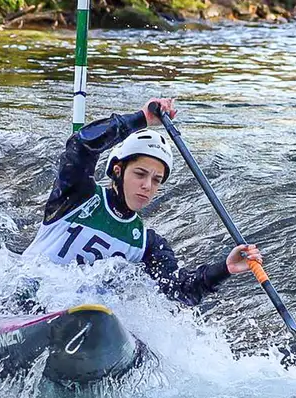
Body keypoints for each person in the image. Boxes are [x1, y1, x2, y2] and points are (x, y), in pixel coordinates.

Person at [21, 98, 262, 307]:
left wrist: (225, 268)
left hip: (82, 319)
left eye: (156, 180)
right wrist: (141, 118)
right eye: (140, 174)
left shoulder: (146, 243)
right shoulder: (76, 196)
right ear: (118, 170)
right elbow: (82, 145)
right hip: (23, 298)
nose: (147, 186)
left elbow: (178, 290)